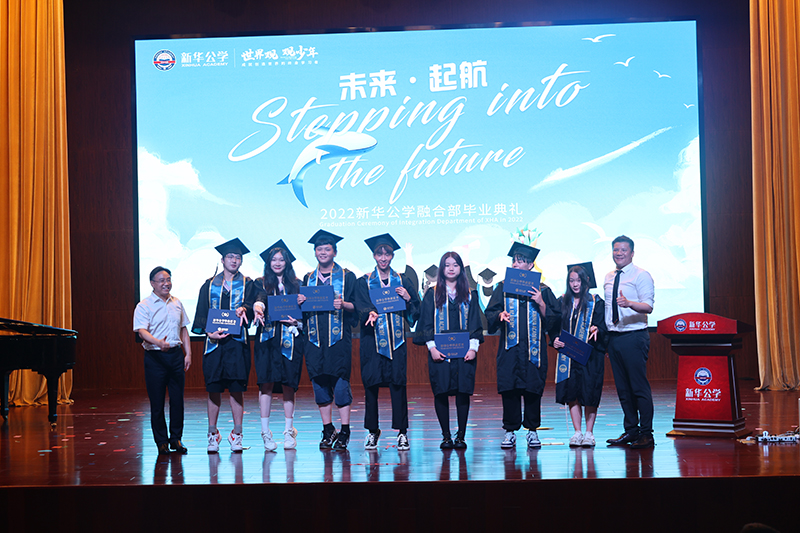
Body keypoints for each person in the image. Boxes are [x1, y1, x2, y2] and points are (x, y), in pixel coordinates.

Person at [485, 242, 557, 450]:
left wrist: (541, 302)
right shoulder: (502, 288)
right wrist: (499, 315)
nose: (515, 264)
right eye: (514, 261)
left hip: (534, 349)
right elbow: (490, 313)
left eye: (520, 261)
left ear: (530, 265)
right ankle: (510, 430)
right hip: (510, 349)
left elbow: (555, 319)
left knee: (533, 388)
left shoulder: (543, 290)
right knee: (510, 388)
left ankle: (532, 430)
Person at [355, 233, 421, 451]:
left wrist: (408, 299)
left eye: (387, 254)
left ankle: (402, 432)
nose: (383, 258)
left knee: (398, 385)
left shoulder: (403, 281)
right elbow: (360, 305)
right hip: (372, 342)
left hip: (397, 342)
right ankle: (372, 431)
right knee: (371, 386)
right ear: (374, 256)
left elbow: (416, 309)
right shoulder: (364, 281)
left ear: (392, 256)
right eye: (379, 253)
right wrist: (369, 312)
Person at [192, 238, 256, 453]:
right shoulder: (209, 285)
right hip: (214, 345)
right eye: (230, 256)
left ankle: (237, 434)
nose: (234, 260)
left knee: (237, 390)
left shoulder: (248, 284)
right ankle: (213, 434)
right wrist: (208, 332)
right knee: (214, 389)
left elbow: (254, 304)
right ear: (222, 260)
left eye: (238, 257)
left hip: (237, 345)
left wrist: (245, 308)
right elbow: (201, 313)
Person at [414, 251, 483, 449]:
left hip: (465, 354)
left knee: (463, 393)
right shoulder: (432, 294)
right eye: (447, 265)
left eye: (455, 264)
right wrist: (432, 348)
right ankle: (445, 436)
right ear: (442, 269)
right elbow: (426, 323)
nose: (451, 268)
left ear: (461, 268)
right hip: (439, 353)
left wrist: (473, 349)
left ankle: (461, 436)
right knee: (441, 392)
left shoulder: (470, 294)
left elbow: (475, 322)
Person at [302, 230, 358, 450]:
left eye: (327, 249)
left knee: (341, 385)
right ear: (315, 252)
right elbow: (302, 313)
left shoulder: (348, 277)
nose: (323, 252)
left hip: (339, 340)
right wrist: (300, 302)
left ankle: (345, 430)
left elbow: (358, 306)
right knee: (320, 384)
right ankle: (328, 429)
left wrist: (344, 305)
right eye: (319, 249)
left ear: (335, 252)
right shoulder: (308, 279)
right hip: (314, 341)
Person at [249, 240, 305, 451]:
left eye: (282, 259)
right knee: (266, 384)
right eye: (274, 259)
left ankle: (289, 431)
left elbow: (305, 316)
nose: (278, 263)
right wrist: (258, 307)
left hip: (291, 339)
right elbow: (259, 299)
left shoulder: (297, 285)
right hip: (268, 340)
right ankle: (265, 432)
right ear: (268, 262)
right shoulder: (260, 283)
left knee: (289, 384)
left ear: (287, 262)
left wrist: (297, 320)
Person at [133, 266, 192, 455]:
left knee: (177, 400)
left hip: (175, 355)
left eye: (168, 279)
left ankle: (176, 439)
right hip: (155, 357)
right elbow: (141, 331)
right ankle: (161, 442)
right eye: (161, 280)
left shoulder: (177, 303)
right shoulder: (144, 305)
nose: (166, 283)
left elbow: (184, 329)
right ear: (152, 283)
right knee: (157, 401)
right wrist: (158, 342)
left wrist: (188, 354)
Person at [603, 235, 656, 449]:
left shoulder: (641, 275)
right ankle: (631, 431)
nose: (619, 253)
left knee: (638, 387)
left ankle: (646, 434)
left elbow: (648, 306)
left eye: (623, 250)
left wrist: (629, 303)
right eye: (616, 250)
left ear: (632, 253)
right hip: (614, 338)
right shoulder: (609, 276)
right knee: (623, 389)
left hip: (634, 336)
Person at [551, 263, 607, 448]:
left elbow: (603, 325)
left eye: (578, 280)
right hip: (568, 355)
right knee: (572, 392)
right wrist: (555, 339)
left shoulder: (596, 302)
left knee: (590, 392)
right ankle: (577, 432)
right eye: (571, 280)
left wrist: (597, 328)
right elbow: (554, 327)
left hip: (590, 355)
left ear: (586, 281)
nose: (575, 284)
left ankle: (589, 433)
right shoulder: (562, 301)